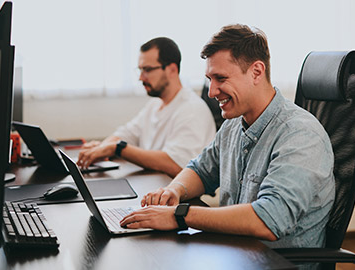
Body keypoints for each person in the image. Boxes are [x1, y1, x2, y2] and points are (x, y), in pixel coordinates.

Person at [120, 24, 335, 249]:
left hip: (274, 262)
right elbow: (201, 170)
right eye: (209, 79)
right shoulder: (233, 124)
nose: (212, 92)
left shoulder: (301, 135)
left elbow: (268, 220)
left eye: (220, 78)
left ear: (256, 72)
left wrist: (179, 214)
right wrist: (174, 191)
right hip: (235, 253)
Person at [77, 37, 216, 178]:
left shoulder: (192, 110)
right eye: (140, 70)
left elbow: (176, 164)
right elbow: (127, 133)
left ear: (172, 70)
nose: (141, 78)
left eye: (147, 70)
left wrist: (116, 148)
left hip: (176, 194)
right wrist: (102, 149)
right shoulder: (155, 104)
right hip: (154, 186)